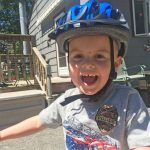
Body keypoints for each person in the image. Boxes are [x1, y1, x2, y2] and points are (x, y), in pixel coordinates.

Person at [0, 0, 150, 149]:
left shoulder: (128, 100)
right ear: (68, 62)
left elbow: (142, 143)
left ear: (116, 63)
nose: (87, 64)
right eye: (78, 56)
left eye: (99, 56)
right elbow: (39, 121)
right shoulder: (67, 100)